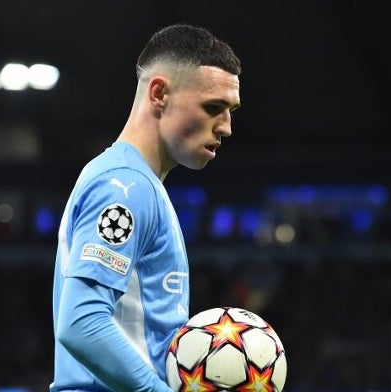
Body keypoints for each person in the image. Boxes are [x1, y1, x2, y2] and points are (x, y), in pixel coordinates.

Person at [50, 24, 241, 392]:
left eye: (231, 110)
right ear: (159, 94)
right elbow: (81, 322)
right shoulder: (125, 187)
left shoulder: (138, 183)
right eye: (213, 107)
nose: (227, 127)